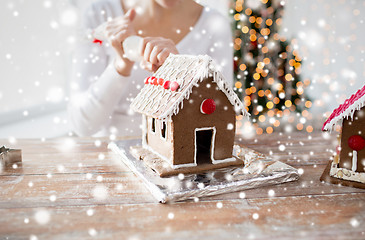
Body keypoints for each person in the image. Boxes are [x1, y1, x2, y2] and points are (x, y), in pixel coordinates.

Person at [68, 0, 233, 137]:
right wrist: (121, 66)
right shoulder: (99, 14)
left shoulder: (215, 24)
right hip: (109, 160)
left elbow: (220, 121)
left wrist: (180, 75)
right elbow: (82, 125)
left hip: (178, 162)